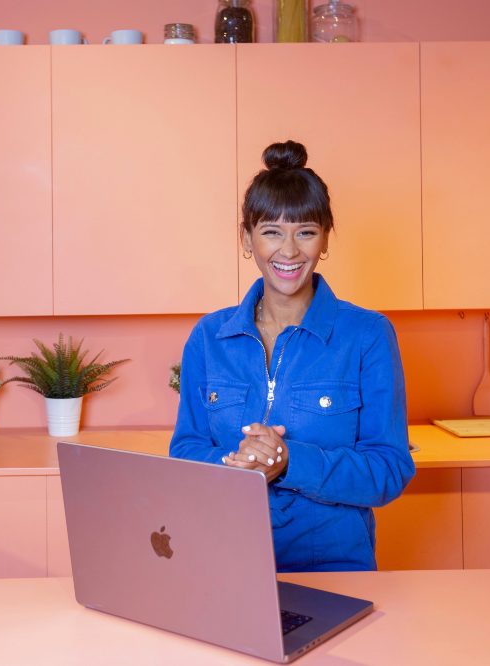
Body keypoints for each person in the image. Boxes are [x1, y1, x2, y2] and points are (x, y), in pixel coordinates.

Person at [170, 140, 415, 572]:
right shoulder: (209, 337)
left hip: (333, 571)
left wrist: (288, 462)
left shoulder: (368, 335)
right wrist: (236, 464)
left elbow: (389, 469)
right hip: (223, 563)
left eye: (305, 231)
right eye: (271, 232)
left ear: (325, 238)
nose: (289, 251)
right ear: (247, 238)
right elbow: (186, 450)